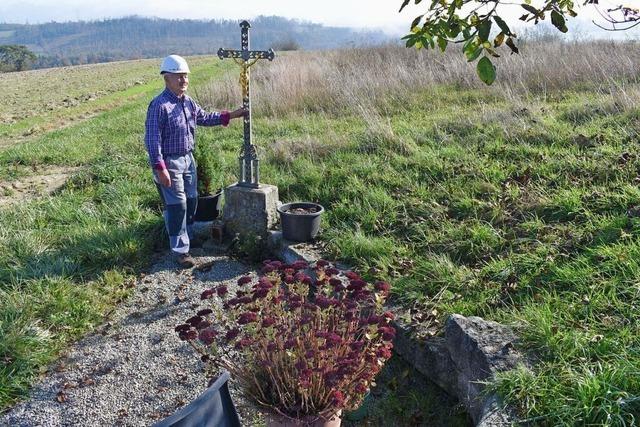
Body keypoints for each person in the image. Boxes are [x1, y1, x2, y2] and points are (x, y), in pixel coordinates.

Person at [144, 54, 245, 268]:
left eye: (186, 77)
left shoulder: (187, 102)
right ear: (166, 78)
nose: (184, 81)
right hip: (170, 162)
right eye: (178, 77)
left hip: (188, 159)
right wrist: (160, 168)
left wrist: (232, 115)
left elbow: (205, 118)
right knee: (177, 205)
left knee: (191, 201)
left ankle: (185, 237)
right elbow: (152, 140)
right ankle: (181, 251)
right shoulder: (159, 106)